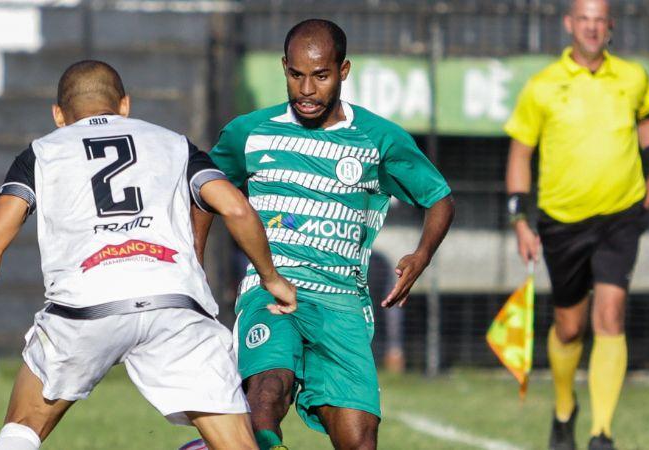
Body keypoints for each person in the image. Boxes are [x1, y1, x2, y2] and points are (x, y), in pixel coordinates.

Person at [0, 60, 297, 450]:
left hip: (85, 307)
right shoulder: (174, 144)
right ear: (124, 105)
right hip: (173, 303)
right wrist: (271, 278)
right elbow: (236, 210)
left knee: (23, 426)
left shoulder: (42, 154)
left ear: (59, 115)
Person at [193, 19, 455, 450]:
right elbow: (204, 190)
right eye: (296, 75)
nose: (307, 90)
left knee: (358, 438)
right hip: (272, 288)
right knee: (265, 393)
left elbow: (440, 198)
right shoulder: (249, 132)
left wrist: (422, 254)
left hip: (343, 304)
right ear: (284, 68)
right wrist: (194, 267)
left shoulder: (378, 138)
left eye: (320, 76)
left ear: (343, 71)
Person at [503, 1, 649, 449]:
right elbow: (520, 153)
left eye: (600, 20)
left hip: (622, 214)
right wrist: (520, 220)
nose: (592, 28)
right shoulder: (542, 87)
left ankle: (601, 434)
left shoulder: (633, 78)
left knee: (610, 316)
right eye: (584, 20)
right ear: (570, 25)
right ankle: (563, 410)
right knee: (569, 327)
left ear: (609, 27)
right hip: (562, 222)